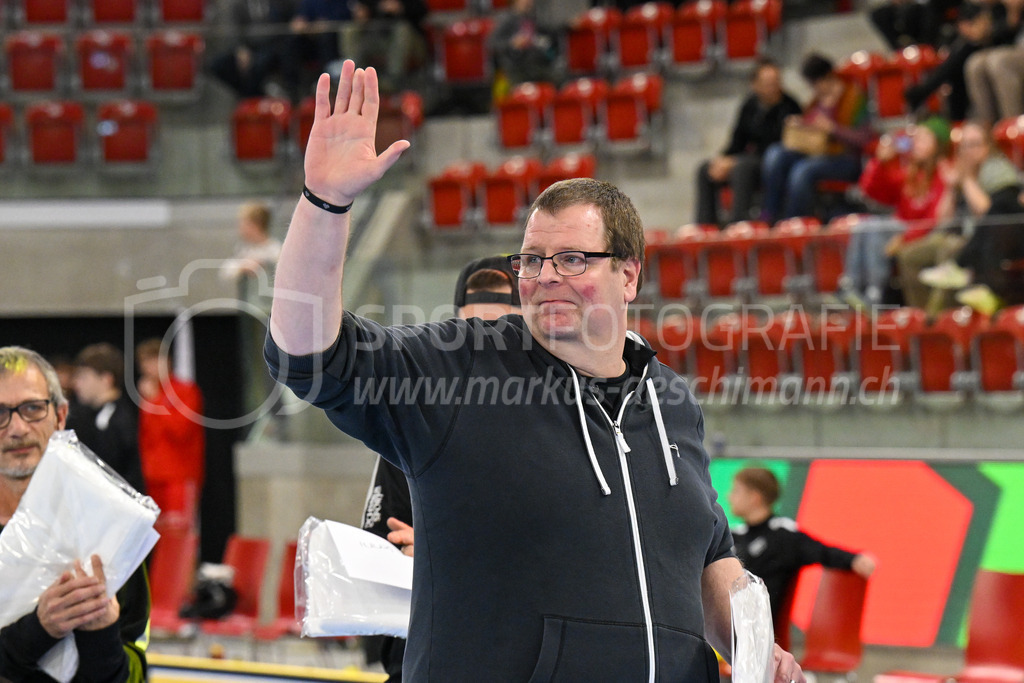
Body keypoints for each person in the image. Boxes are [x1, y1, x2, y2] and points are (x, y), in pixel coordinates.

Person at [265, 61, 806, 681]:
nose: (545, 276)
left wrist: (755, 648)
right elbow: (309, 355)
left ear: (628, 274)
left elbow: (709, 556)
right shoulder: (459, 370)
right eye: (531, 259)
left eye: (572, 258)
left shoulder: (670, 401)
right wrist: (324, 204)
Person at [361, 255, 522, 682]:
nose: (486, 340)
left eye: (502, 327)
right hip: (421, 656)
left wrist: (439, 550)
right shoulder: (415, 421)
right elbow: (381, 546)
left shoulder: (555, 426)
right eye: (472, 327)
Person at [0, 346, 150, 681]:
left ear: (61, 416)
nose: (17, 428)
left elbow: (135, 673)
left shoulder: (109, 532)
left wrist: (102, 634)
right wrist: (37, 631)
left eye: (32, 408)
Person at [728, 467, 876, 634]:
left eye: (736, 491)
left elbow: (821, 551)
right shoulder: (732, 536)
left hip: (758, 636)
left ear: (754, 497)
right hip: (726, 628)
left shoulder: (783, 536)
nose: (729, 497)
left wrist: (854, 559)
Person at [841, 116, 955, 308]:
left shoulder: (944, 173)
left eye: (922, 139)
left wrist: (905, 239)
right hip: (902, 229)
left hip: (924, 234)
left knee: (876, 229)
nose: (915, 144)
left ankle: (875, 293)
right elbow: (871, 191)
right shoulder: (910, 172)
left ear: (938, 144)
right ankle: (851, 286)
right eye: (915, 139)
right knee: (864, 226)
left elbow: (934, 220)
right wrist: (880, 162)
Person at [919, 120, 1024, 314]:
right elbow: (942, 220)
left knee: (1000, 209)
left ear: (988, 146)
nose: (970, 150)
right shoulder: (957, 172)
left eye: (975, 144)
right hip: (973, 237)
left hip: (1001, 235)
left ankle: (935, 319)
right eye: (965, 145)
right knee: (912, 255)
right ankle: (921, 317)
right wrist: (951, 188)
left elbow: (988, 213)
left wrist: (967, 180)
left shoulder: (996, 169)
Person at [760, 53, 874, 223]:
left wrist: (833, 129)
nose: (814, 88)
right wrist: (801, 124)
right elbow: (812, 131)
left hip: (846, 158)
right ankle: (770, 214)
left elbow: (865, 138)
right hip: (818, 153)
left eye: (815, 83)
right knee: (775, 153)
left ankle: (795, 222)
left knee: (802, 170)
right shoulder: (816, 102)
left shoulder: (855, 99)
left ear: (827, 77)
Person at [694, 58, 802, 227]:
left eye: (776, 82)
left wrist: (734, 162)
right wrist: (723, 159)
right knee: (705, 168)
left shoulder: (790, 106)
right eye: (768, 83)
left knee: (741, 168)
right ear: (755, 85)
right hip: (748, 158)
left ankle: (737, 224)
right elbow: (738, 139)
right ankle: (705, 226)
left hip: (771, 164)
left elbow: (779, 148)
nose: (773, 87)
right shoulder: (750, 106)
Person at [135, 339, 205, 531]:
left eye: (153, 361)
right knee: (156, 536)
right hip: (152, 477)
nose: (148, 368)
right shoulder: (148, 395)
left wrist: (155, 400)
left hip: (179, 477)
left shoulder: (186, 391)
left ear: (168, 362)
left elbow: (181, 431)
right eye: (144, 362)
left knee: (178, 536)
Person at [71, 343, 146, 495]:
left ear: (106, 379)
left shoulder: (120, 421)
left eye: (84, 377)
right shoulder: (88, 417)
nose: (76, 384)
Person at [209, 0, 296, 98]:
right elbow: (234, 29)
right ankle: (243, 95)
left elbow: (285, 23)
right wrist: (241, 49)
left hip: (272, 46)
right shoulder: (240, 5)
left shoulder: (277, 3)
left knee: (259, 64)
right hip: (248, 47)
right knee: (218, 65)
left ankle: (253, 96)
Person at [964, 0, 1024, 127]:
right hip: (1014, 49)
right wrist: (1012, 14)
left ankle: (1012, 127)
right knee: (974, 63)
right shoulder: (999, 9)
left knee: (999, 61)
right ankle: (988, 129)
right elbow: (1000, 38)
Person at [348, 0, 427, 92]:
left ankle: (393, 80)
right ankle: (353, 76)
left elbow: (422, 11)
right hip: (380, 38)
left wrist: (400, 7)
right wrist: (365, 12)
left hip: (412, 42)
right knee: (350, 29)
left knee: (402, 29)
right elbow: (365, 9)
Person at [489, 0, 558, 93]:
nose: (528, 2)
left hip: (538, 66)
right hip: (516, 68)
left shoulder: (535, 18)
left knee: (556, 81)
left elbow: (551, 37)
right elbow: (493, 43)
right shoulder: (505, 20)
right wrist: (512, 43)